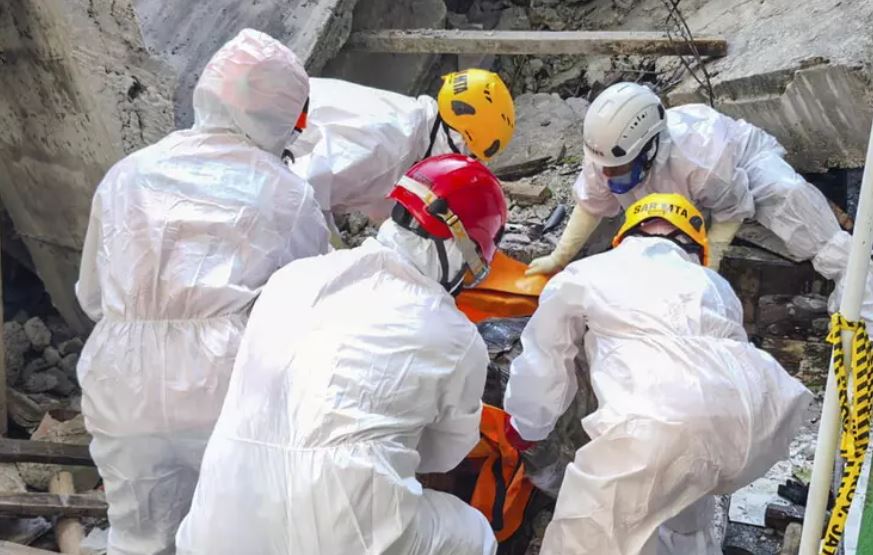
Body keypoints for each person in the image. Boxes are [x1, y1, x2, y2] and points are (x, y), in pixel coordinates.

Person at [75, 29, 330, 554]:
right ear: (282, 115)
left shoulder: (127, 174)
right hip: (224, 383)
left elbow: (93, 297)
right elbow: (309, 308)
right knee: (237, 533)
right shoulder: (286, 193)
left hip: (121, 381)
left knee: (138, 535)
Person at [175, 153, 508, 555]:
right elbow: (444, 455)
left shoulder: (294, 277)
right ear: (462, 248)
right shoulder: (454, 336)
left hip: (217, 528)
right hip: (342, 534)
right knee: (474, 536)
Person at [505, 193, 812, 554]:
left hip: (655, 424)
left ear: (626, 235)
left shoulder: (588, 272)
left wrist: (526, 424)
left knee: (585, 537)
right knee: (684, 509)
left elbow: (546, 356)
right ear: (696, 247)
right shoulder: (714, 285)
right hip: (756, 420)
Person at [525, 81, 856, 306]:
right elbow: (592, 203)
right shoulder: (608, 152)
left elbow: (730, 211)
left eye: (618, 169)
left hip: (742, 162)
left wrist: (708, 268)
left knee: (789, 196)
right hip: (684, 186)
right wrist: (559, 257)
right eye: (606, 169)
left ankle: (853, 279)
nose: (609, 176)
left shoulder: (703, 157)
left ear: (649, 147)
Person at [285, 69, 514, 242]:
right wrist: (334, 252)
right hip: (277, 172)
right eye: (471, 156)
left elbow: (381, 202)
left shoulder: (412, 125)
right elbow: (297, 193)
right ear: (460, 139)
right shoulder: (391, 146)